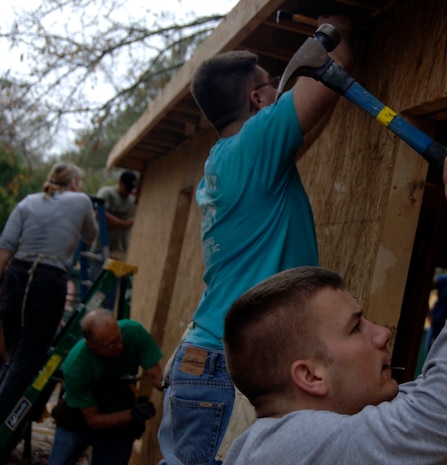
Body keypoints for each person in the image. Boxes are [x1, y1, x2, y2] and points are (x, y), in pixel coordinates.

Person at [221, 146, 447, 464]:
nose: (382, 333)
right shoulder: (289, 450)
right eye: (355, 327)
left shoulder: (303, 443)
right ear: (310, 376)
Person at [157, 15, 355, 465]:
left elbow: (309, 125)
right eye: (271, 86)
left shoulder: (228, 159)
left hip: (204, 362)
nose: (277, 93)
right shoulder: (254, 144)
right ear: (256, 98)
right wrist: (342, 24)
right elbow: (332, 77)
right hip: (223, 371)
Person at [0, 163, 98, 432]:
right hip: (48, 280)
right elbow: (91, 236)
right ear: (75, 182)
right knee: (27, 360)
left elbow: (5, 248)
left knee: (13, 355)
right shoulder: (81, 201)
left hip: (16, 277)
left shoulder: (28, 202)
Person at [48, 309, 163, 465]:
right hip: (80, 418)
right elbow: (94, 420)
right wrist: (133, 414)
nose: (120, 346)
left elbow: (157, 377)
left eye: (119, 337)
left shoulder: (133, 332)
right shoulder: (76, 366)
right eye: (111, 344)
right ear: (92, 346)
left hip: (118, 422)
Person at [96, 171, 137, 261]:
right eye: (126, 188)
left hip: (122, 247)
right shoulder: (107, 193)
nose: (128, 192)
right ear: (120, 183)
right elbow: (100, 214)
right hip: (103, 246)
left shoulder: (132, 200)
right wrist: (123, 223)